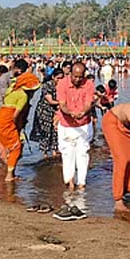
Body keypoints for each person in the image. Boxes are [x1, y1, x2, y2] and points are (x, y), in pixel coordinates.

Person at [0, 71, 41, 182]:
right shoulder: (23, 96)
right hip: (7, 122)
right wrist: (17, 126)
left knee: (12, 146)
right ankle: (9, 175)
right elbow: (15, 116)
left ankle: (11, 172)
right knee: (16, 147)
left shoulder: (13, 90)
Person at [56, 62, 96, 192]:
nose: (78, 80)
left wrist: (83, 112)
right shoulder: (62, 83)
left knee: (82, 153)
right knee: (67, 153)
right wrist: (71, 113)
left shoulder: (89, 84)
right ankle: (70, 181)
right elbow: (62, 104)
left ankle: (81, 183)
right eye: (75, 77)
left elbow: (88, 102)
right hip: (66, 124)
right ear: (70, 74)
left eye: (80, 77)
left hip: (84, 124)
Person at [29, 68, 63, 160]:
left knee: (55, 131)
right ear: (53, 77)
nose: (59, 80)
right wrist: (63, 103)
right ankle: (44, 153)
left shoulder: (62, 87)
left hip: (55, 111)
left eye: (61, 78)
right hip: (44, 111)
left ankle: (54, 150)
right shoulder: (47, 85)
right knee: (45, 131)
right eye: (58, 78)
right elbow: (50, 101)